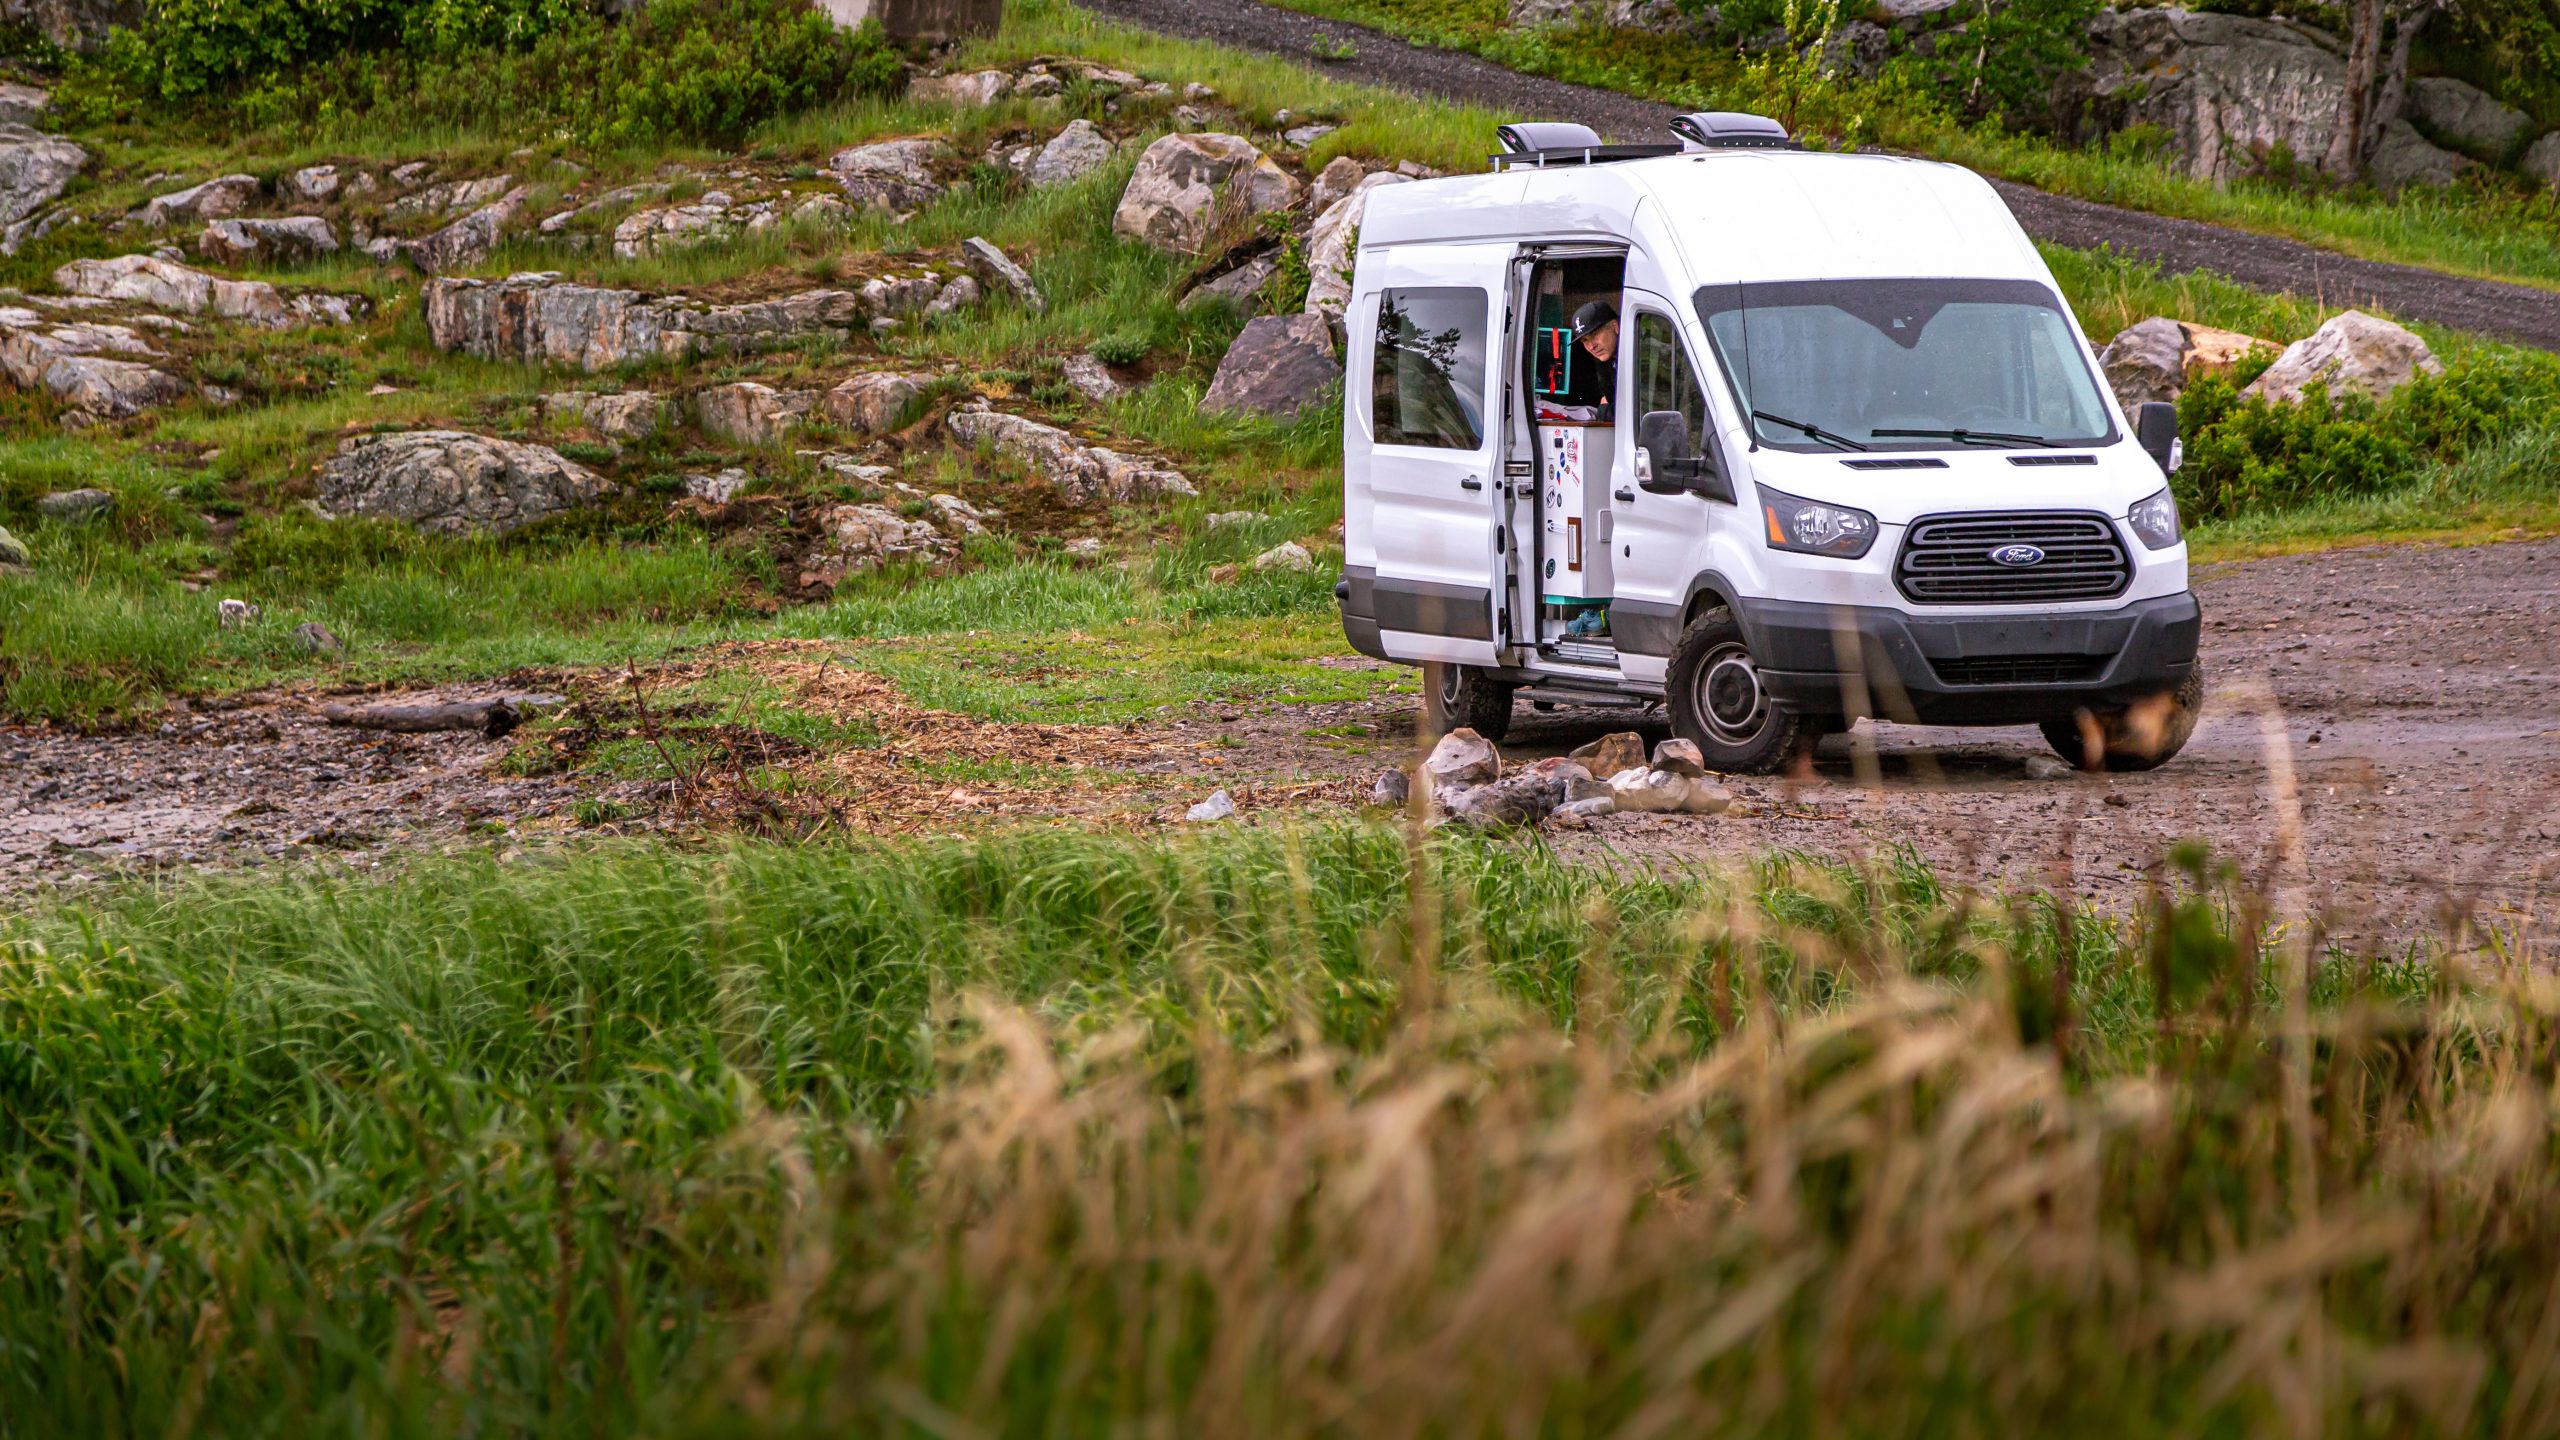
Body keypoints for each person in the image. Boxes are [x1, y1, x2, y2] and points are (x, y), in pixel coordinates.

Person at [1556, 299, 1619, 420]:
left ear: (1615, 326)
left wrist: (1605, 410)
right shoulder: (1605, 359)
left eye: (1595, 334)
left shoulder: (1640, 352)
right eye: (1585, 340)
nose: (1591, 346)